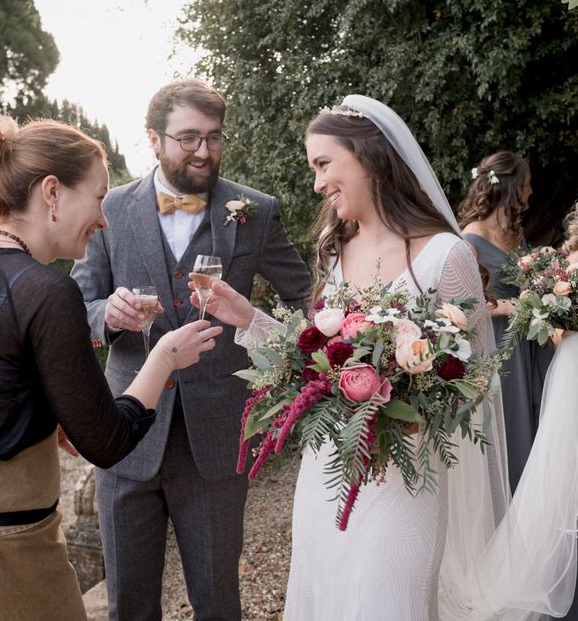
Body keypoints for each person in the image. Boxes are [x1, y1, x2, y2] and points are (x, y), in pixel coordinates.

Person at [192, 96, 578, 620]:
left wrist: (415, 405)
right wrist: (244, 316)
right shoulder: (333, 250)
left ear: (368, 155)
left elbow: (480, 380)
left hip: (406, 484)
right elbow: (310, 359)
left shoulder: (448, 255)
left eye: (324, 164)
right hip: (326, 475)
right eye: (312, 169)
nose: (316, 184)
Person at [0, 106, 222, 621]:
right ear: (52, 193)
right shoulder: (47, 291)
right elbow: (107, 443)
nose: (105, 219)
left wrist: (37, 412)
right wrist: (163, 358)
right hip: (4, 568)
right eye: (100, 198)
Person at [70, 78, 310, 620]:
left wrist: (262, 336)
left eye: (214, 138)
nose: (204, 151)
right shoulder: (110, 209)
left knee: (218, 602)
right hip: (126, 435)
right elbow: (78, 305)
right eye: (188, 138)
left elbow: (306, 298)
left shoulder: (256, 211)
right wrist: (106, 315)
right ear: (154, 139)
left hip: (218, 440)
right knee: (128, 605)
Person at [458, 151, 554, 493]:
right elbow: (460, 310)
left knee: (542, 421)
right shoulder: (470, 239)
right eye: (526, 186)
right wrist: (508, 307)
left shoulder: (513, 230)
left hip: (531, 344)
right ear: (512, 188)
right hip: (500, 349)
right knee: (513, 428)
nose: (529, 193)